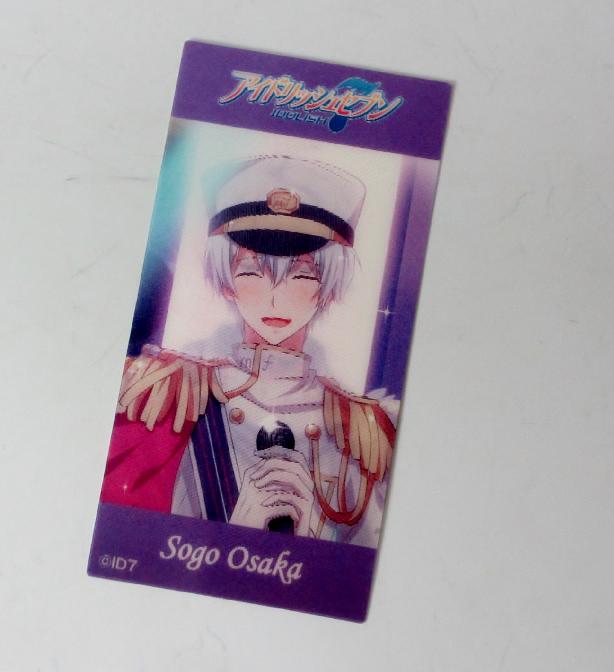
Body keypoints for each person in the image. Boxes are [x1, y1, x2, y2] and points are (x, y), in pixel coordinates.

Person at [100, 155, 396, 547]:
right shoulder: (166, 395)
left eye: (302, 274)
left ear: (327, 288)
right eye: (252, 272)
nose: (275, 297)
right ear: (227, 282)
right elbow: (135, 542)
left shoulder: (361, 432)